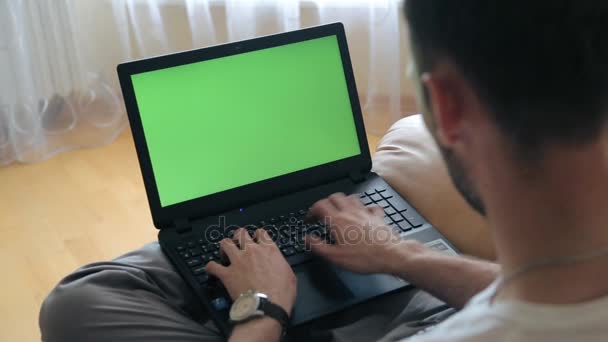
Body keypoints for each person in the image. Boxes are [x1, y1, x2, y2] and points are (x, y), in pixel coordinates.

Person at [40, 0, 608, 341]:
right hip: (426, 287)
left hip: (407, 321)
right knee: (89, 294)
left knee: (79, 305)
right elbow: (539, 298)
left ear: (447, 108)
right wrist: (402, 255)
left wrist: (262, 309)